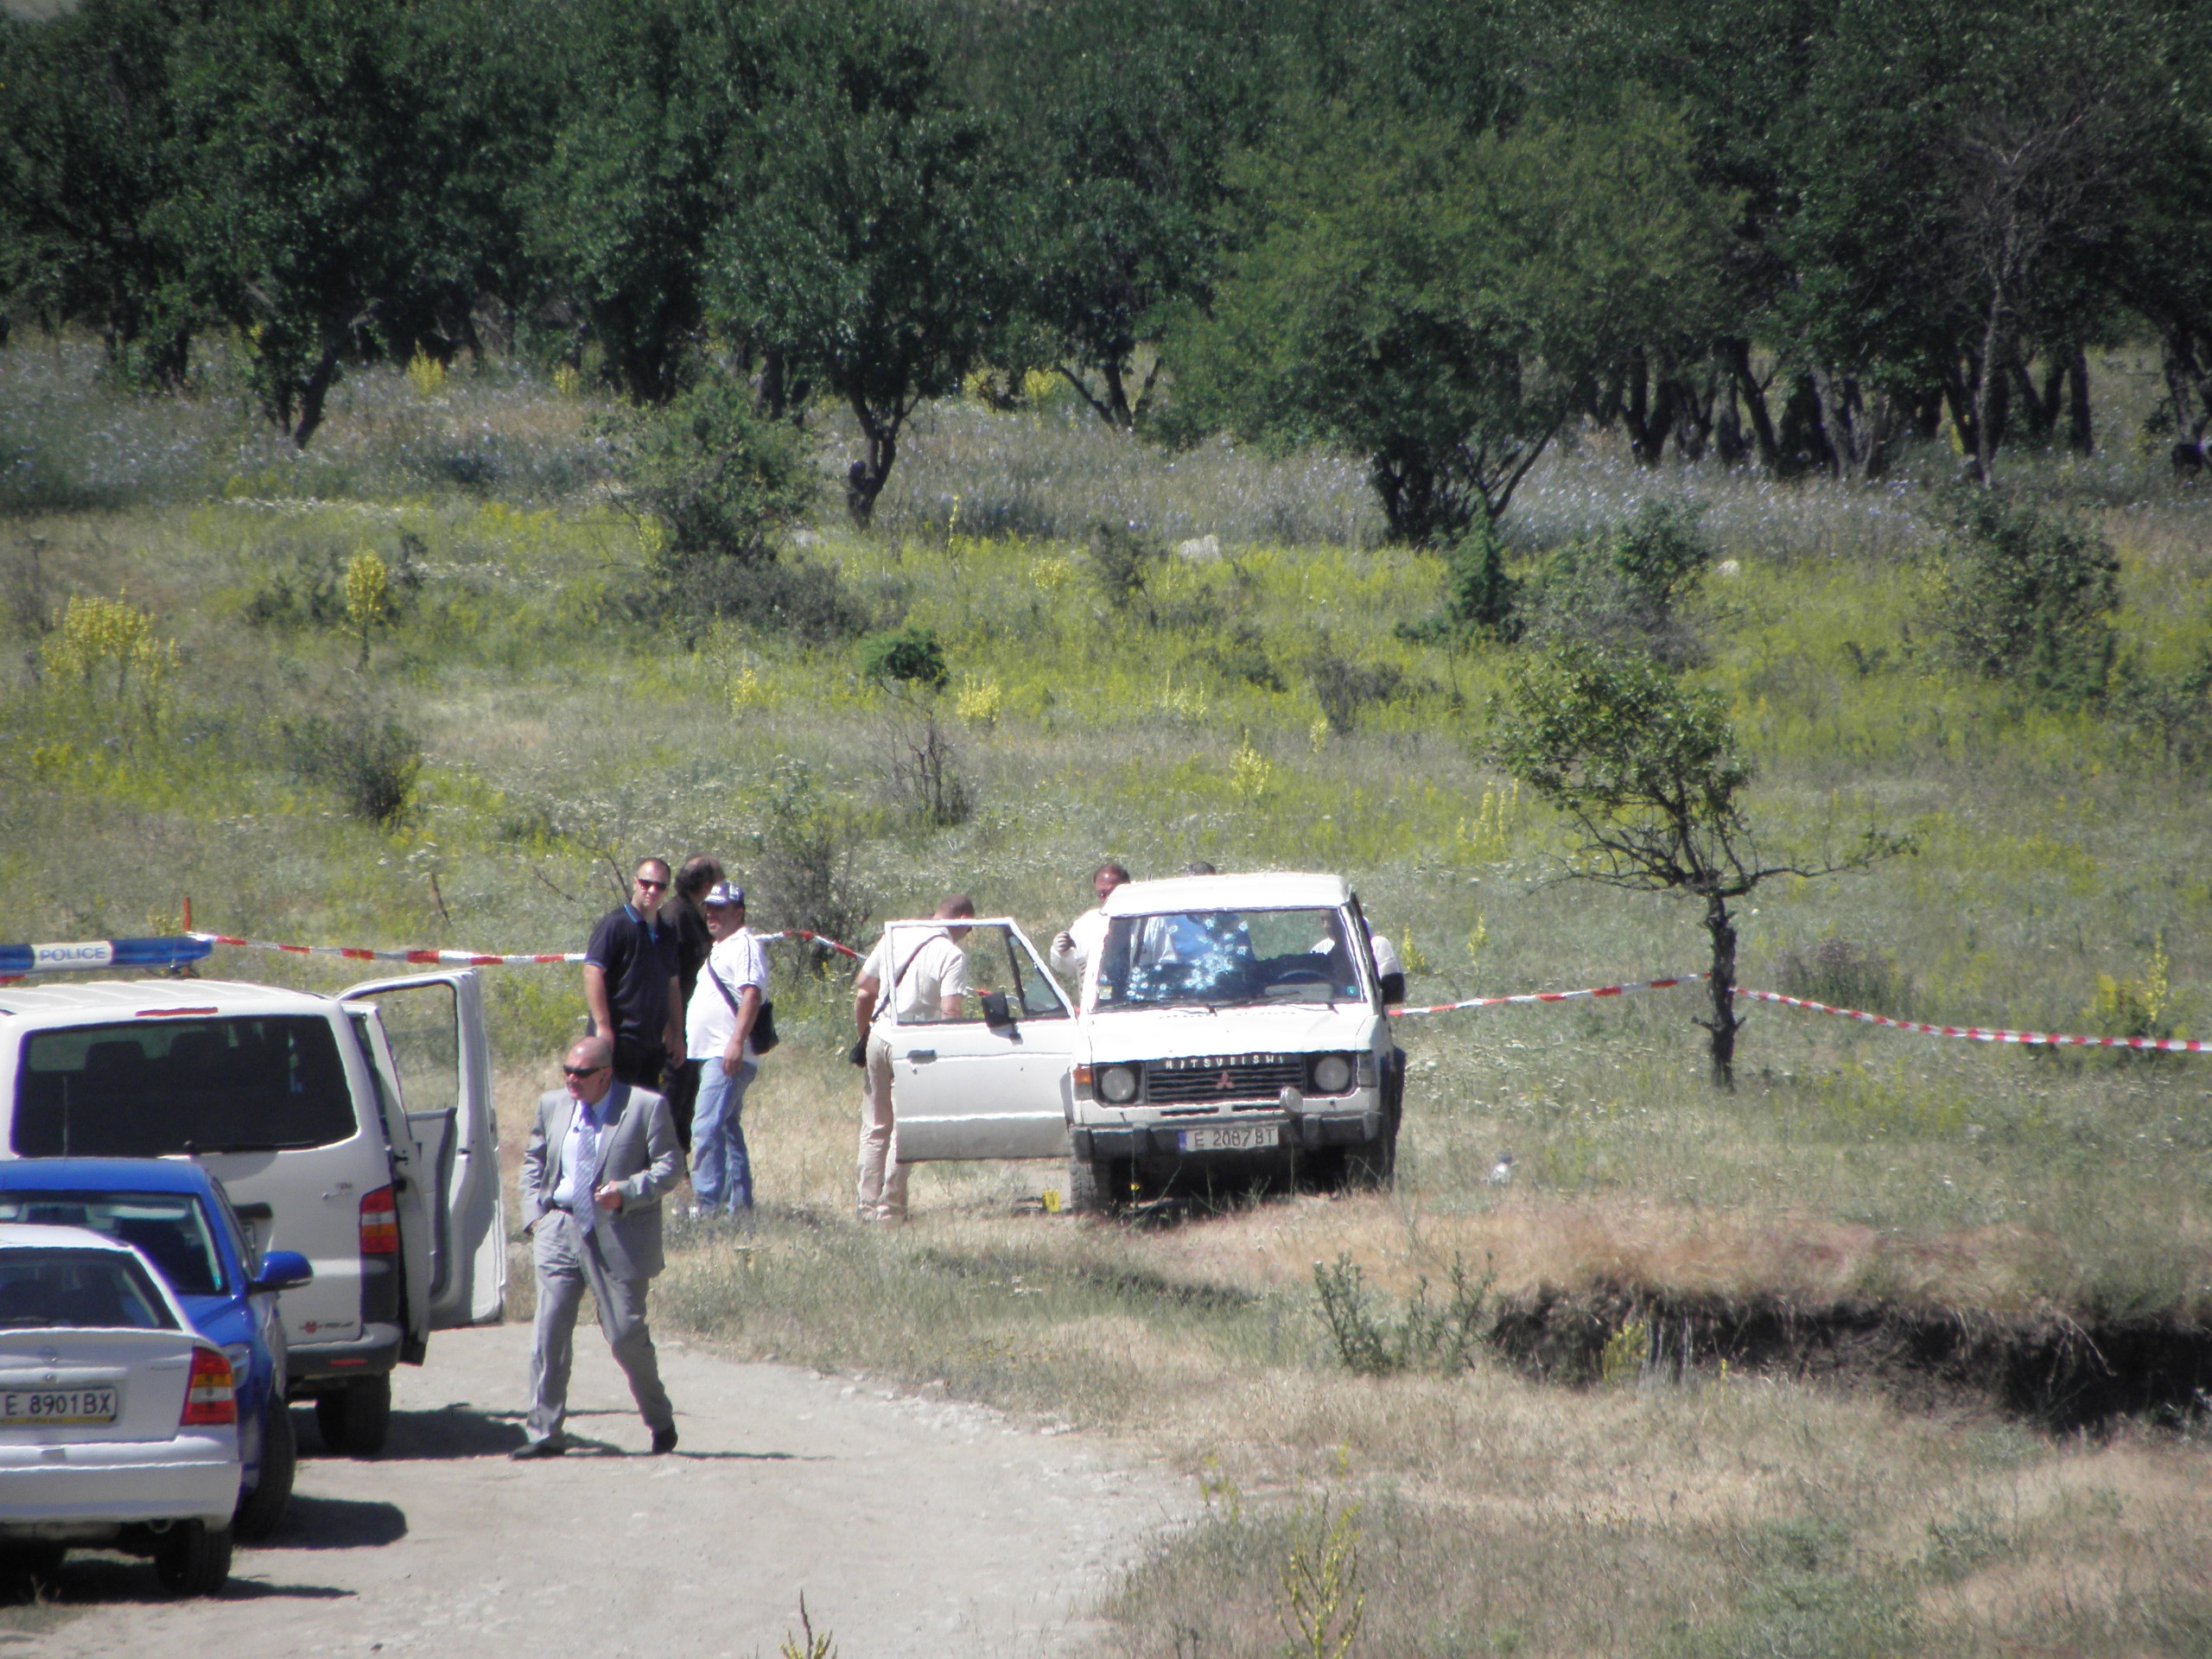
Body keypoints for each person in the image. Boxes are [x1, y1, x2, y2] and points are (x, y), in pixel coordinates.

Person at [512, 1035, 684, 1459]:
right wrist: (536, 1214)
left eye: (582, 1073)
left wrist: (628, 1191)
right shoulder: (553, 1105)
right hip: (559, 1226)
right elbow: (534, 1160)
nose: (572, 1079)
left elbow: (670, 1167)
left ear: (605, 1075)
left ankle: (659, 1419)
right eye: (567, 1071)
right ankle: (545, 1432)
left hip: (617, 1231)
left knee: (625, 1334)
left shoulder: (645, 1107)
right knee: (549, 1333)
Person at [851, 895, 975, 1223]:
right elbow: (951, 1013)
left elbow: (864, 991)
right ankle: (890, 1209)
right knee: (904, 1128)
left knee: (875, 1126)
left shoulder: (896, 934)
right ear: (963, 919)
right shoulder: (951, 954)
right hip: (917, 1044)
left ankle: (865, 1205)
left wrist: (864, 1037)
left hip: (880, 1036)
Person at [683, 881, 767, 1220]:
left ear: (739, 912)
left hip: (726, 1053)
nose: (711, 914)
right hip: (714, 1052)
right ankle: (740, 1210)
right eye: (709, 907)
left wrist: (735, 1042)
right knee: (726, 1130)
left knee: (705, 1128)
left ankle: (707, 1207)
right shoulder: (721, 947)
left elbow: (751, 994)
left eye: (720, 908)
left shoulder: (744, 945)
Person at [583, 859, 684, 1090]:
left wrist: (678, 1034)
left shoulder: (668, 934)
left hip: (652, 1042)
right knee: (612, 1113)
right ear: (635, 882)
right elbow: (592, 972)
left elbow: (672, 986)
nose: (652, 890)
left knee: (644, 1115)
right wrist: (603, 1026)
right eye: (646, 883)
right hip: (619, 1040)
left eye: (660, 886)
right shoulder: (615, 925)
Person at [661, 855, 724, 1150]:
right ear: (706, 884)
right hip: (676, 1024)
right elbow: (668, 978)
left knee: (688, 1095)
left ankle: (681, 1159)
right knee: (673, 1096)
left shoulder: (693, 914)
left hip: (692, 1023)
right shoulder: (676, 917)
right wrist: (672, 1031)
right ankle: (667, 1161)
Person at [1049, 861, 1128, 983]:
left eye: (1112, 893)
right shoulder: (1087, 924)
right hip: (1095, 997)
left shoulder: (1148, 922)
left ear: (1127, 888)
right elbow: (1073, 966)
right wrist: (1061, 952)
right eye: (1102, 894)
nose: (1107, 899)